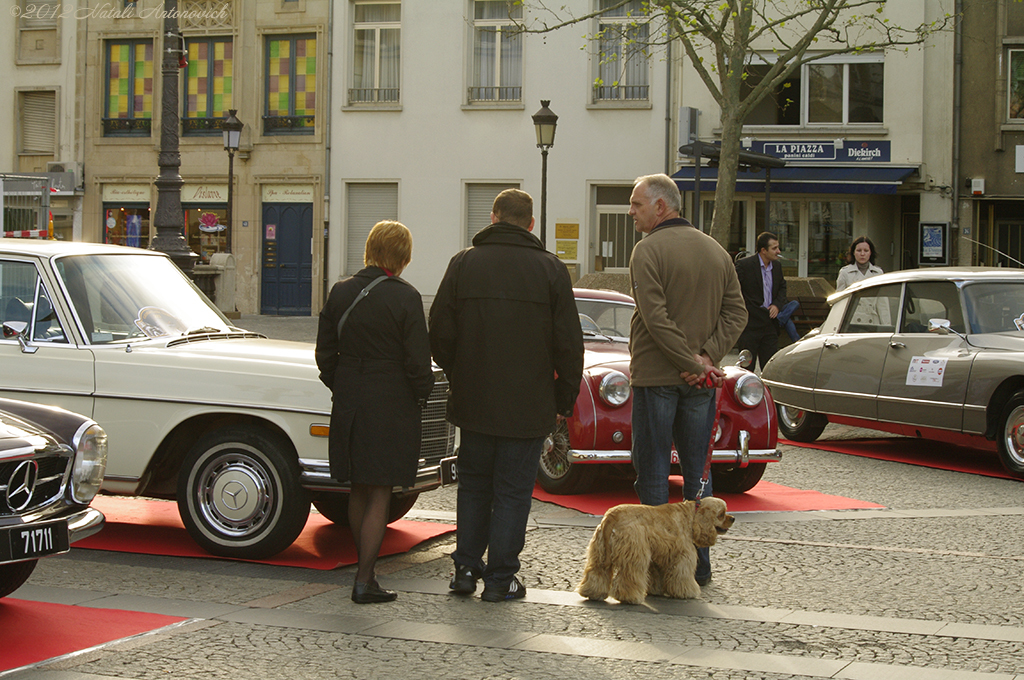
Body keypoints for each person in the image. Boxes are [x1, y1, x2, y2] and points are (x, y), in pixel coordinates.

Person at [429, 188, 584, 602]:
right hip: (529, 404)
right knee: (514, 491)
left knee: (474, 485)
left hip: (474, 400)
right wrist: (562, 400)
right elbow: (570, 345)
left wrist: (460, 372)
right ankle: (500, 579)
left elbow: (439, 332)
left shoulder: (463, 263)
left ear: (493, 217)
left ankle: (464, 568)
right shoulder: (551, 270)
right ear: (531, 224)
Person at [627, 173, 747, 587]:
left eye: (637, 204)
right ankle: (700, 566)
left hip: (658, 375)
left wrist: (692, 362)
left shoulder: (647, 251)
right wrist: (707, 358)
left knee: (655, 469)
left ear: (662, 206)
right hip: (701, 382)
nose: (631, 212)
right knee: (698, 473)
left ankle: (661, 568)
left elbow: (655, 318)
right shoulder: (716, 251)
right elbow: (738, 313)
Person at [315, 221, 435, 604]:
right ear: (402, 256)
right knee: (380, 487)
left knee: (359, 487)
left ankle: (363, 569)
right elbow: (419, 362)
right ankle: (365, 578)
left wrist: (345, 384)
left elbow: (324, 354)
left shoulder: (341, 291)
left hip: (350, 400)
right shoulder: (406, 297)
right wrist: (421, 395)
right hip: (390, 402)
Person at [735, 232, 791, 371]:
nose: (778, 251)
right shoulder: (744, 265)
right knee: (746, 369)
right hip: (750, 324)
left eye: (778, 247)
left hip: (770, 324)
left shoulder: (776, 267)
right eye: (774, 248)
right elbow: (734, 290)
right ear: (763, 250)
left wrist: (777, 305)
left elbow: (782, 288)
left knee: (770, 368)